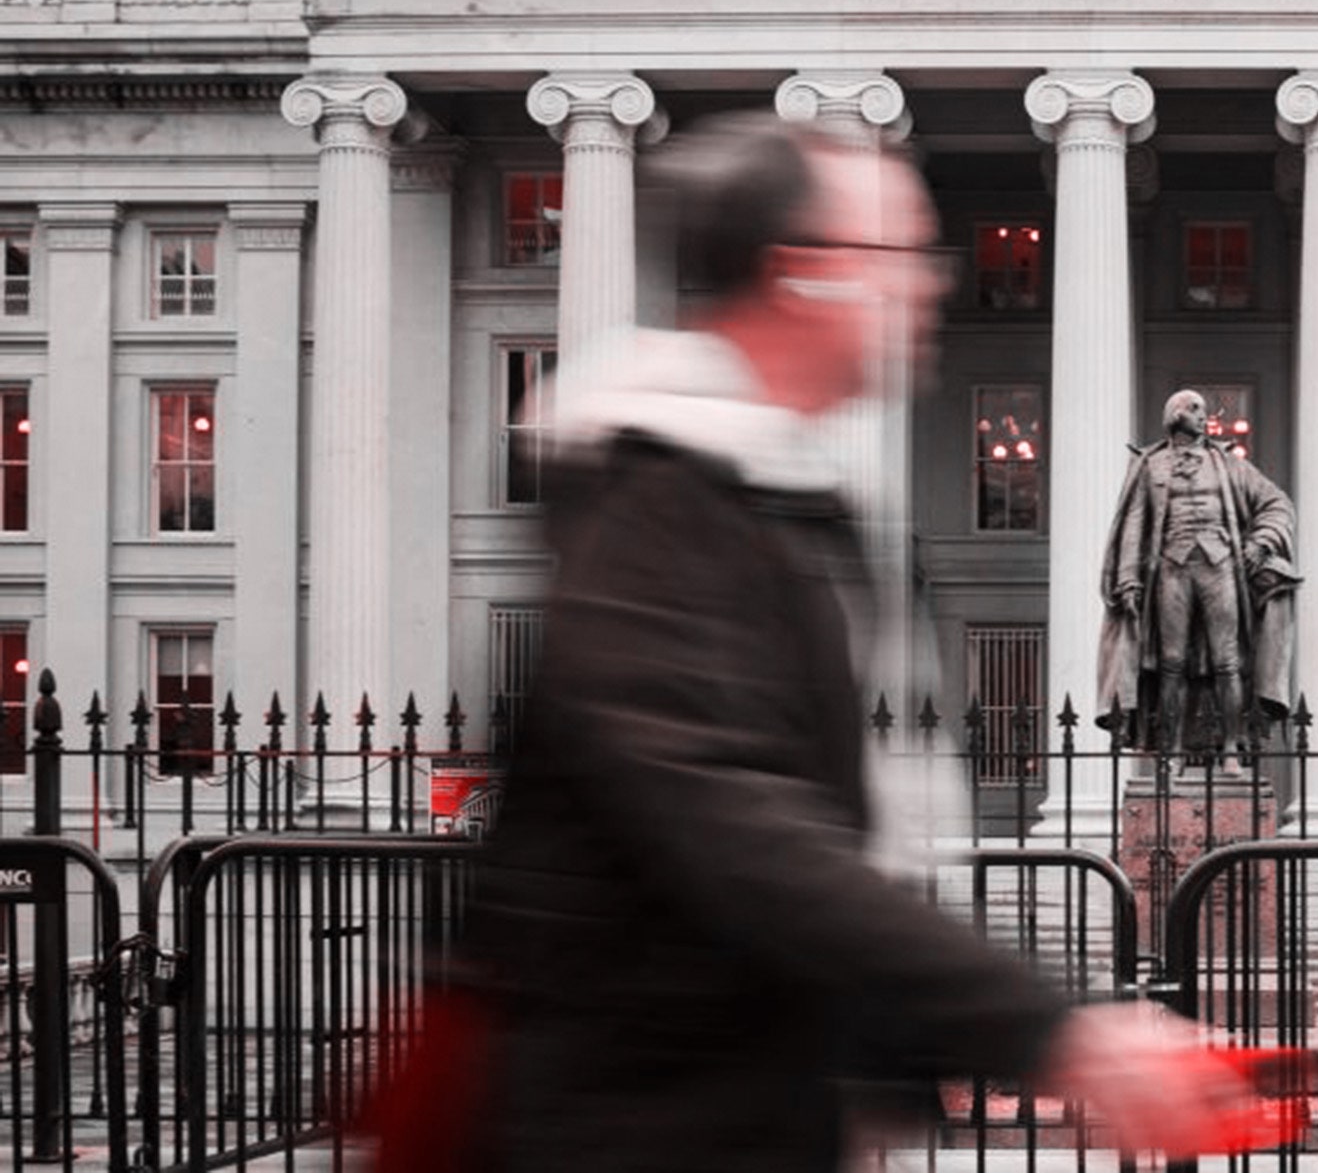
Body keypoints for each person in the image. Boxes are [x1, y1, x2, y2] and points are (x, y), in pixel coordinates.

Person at [460, 115, 1259, 1173]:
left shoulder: (790, 497)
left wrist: (883, 1086)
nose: (933, 282)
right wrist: (1056, 1032)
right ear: (806, 276)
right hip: (632, 1129)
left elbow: (842, 836)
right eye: (900, 255)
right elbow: (737, 829)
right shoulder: (658, 501)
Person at [1098, 389, 1299, 766]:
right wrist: (1127, 577)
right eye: (1194, 409)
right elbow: (1134, 523)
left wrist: (1261, 542)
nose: (1203, 416)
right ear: (1174, 414)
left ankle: (1231, 750)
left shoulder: (1227, 464)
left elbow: (1277, 502)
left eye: (1204, 410)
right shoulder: (1149, 466)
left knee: (1228, 661)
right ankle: (1170, 752)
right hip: (1171, 568)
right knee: (1171, 663)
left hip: (1221, 565)